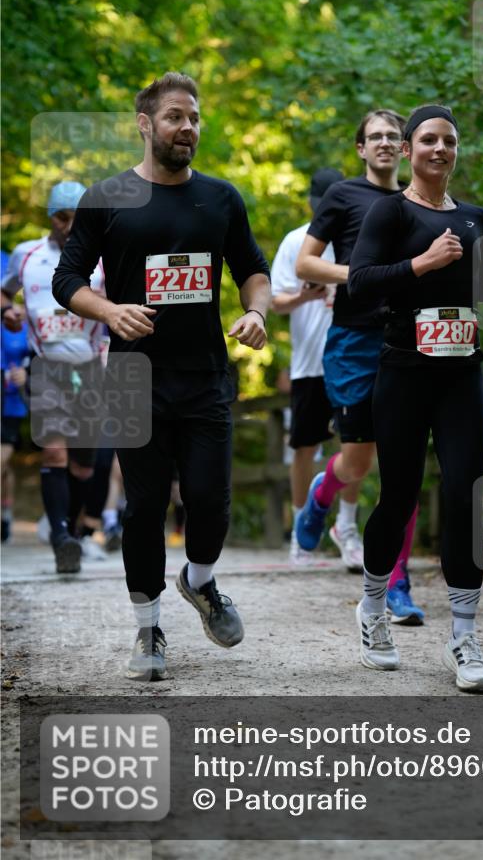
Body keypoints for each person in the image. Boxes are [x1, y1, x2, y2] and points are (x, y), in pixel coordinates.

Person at [52, 71, 270, 682]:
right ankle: (148, 629)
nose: (188, 127)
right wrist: (110, 310)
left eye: (195, 117)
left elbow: (253, 269)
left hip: (202, 374)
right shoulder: (106, 198)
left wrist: (255, 311)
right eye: (176, 117)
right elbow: (66, 280)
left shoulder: (221, 198)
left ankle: (199, 582)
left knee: (210, 499)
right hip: (131, 377)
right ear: (146, 125)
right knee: (144, 507)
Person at [348, 104, 483, 686]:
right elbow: (359, 284)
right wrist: (421, 262)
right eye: (428, 140)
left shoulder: (476, 216)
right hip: (403, 372)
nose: (439, 149)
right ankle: (373, 609)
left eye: (449, 141)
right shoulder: (389, 212)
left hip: (461, 373)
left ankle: (464, 639)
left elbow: (471, 292)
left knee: (465, 495)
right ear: (407, 150)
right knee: (398, 496)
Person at [295, 109, 424, 625]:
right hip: (352, 340)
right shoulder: (343, 196)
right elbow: (307, 263)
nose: (386, 143)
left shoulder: (419, 201)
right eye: (376, 136)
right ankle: (321, 495)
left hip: (408, 342)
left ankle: (397, 584)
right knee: (358, 463)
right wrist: (364, 274)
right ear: (360, 148)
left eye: (395, 136)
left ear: (407, 148)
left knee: (404, 470)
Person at [1, 183, 107, 571]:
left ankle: (73, 536)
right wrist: (7, 312)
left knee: (82, 464)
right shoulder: (25, 255)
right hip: (46, 366)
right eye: (64, 218)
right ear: (51, 217)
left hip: (91, 369)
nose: (70, 227)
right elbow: (4, 293)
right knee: (54, 451)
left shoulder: (102, 258)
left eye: (78, 219)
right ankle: (60, 537)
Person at [270, 168, 362, 569]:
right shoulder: (296, 241)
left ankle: (347, 526)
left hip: (353, 357)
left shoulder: (361, 234)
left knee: (354, 444)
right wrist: (307, 295)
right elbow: (275, 302)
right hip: (310, 360)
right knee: (303, 446)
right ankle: (299, 532)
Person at [0, 250, 31, 543]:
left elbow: (29, 355)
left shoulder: (9, 259)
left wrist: (25, 371)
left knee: (2, 463)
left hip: (8, 397)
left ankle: (5, 514)